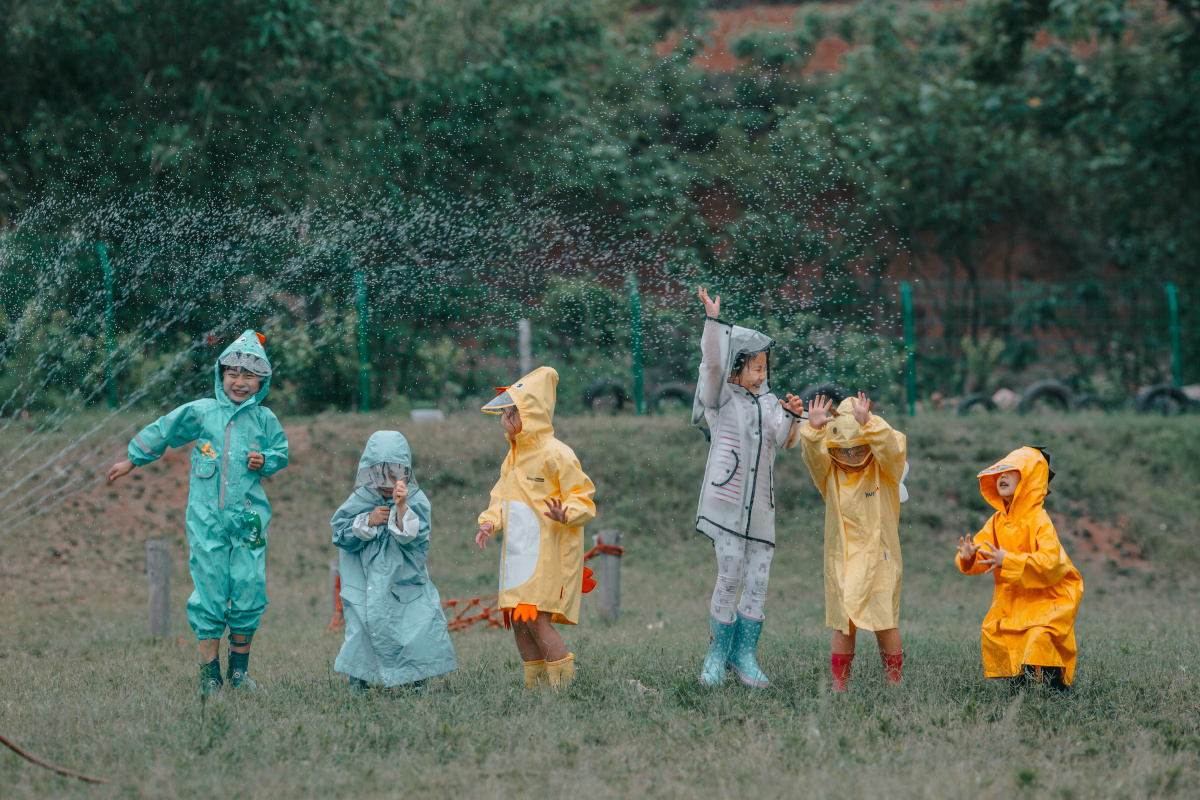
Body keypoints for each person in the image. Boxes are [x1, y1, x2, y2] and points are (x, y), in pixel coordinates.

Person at [107, 330, 288, 695]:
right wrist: (132, 458)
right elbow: (166, 430)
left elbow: (280, 453)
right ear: (220, 374)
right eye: (233, 373)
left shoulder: (265, 419)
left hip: (249, 523)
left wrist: (265, 459)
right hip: (206, 522)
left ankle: (239, 673)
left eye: (250, 375)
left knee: (250, 587)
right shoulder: (202, 412)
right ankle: (210, 676)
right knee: (209, 592)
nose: (240, 381)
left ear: (262, 381)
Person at [692, 287, 805, 688]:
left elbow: (782, 438)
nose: (761, 375)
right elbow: (711, 364)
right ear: (736, 368)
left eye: (764, 368)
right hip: (725, 505)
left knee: (758, 579)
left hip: (761, 510)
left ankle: (744, 657)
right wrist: (713, 323)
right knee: (731, 571)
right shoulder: (719, 399)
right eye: (754, 368)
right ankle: (715, 656)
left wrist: (792, 416)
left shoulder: (770, 401)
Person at [475, 366, 596, 689]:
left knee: (537, 617)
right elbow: (501, 497)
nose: (503, 421)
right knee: (518, 617)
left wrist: (565, 513)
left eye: (507, 414)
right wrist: (489, 521)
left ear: (526, 414)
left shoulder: (557, 454)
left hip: (547, 555)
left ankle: (562, 686)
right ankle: (535, 683)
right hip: (518, 553)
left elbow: (583, 499)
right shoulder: (512, 458)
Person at [330, 431, 457, 692]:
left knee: (414, 629)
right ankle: (360, 681)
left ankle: (416, 681)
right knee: (363, 632)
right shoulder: (360, 500)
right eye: (380, 472)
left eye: (395, 472)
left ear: (406, 472)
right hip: (365, 584)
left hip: (404, 582)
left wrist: (400, 509)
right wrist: (368, 520)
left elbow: (414, 535)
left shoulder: (416, 500)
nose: (388, 481)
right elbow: (340, 534)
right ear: (368, 471)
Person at [797, 391, 907, 691]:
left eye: (858, 450)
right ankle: (839, 686)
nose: (851, 458)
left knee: (885, 621)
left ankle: (893, 682)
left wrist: (869, 424)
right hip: (842, 560)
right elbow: (813, 456)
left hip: (879, 558)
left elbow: (892, 449)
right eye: (843, 452)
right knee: (843, 624)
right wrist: (814, 431)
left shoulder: (886, 471)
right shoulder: (828, 474)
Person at [956, 446, 1083, 695]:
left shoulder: (1039, 520)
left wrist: (1009, 560)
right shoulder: (996, 521)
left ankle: (1056, 687)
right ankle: (1019, 688)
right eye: (999, 472)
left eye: (1011, 471)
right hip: (1015, 598)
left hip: (1049, 598)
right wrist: (969, 557)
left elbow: (1051, 562)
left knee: (1038, 636)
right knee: (999, 633)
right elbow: (984, 552)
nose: (1002, 476)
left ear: (1029, 478)